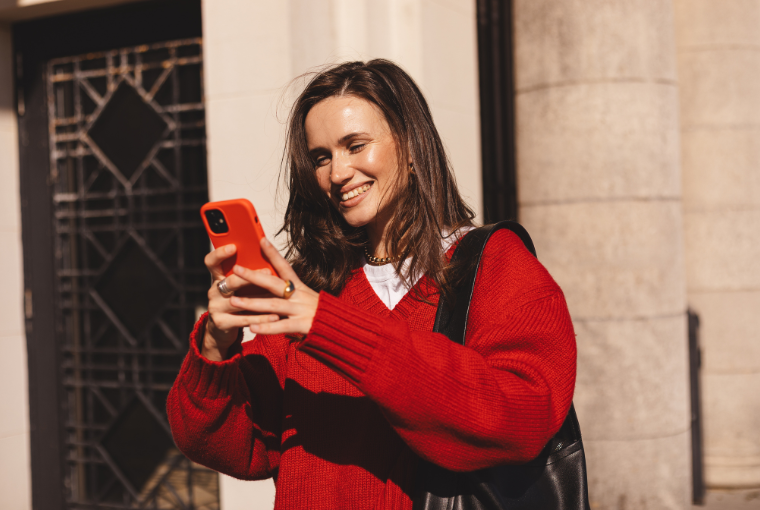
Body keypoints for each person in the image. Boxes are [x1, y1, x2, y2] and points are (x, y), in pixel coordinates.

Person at [167, 59, 576, 510]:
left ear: (412, 144)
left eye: (355, 145)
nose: (337, 173)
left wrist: (331, 327)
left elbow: (523, 421)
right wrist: (214, 347)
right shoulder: (310, 287)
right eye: (321, 157)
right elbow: (233, 446)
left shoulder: (496, 266)